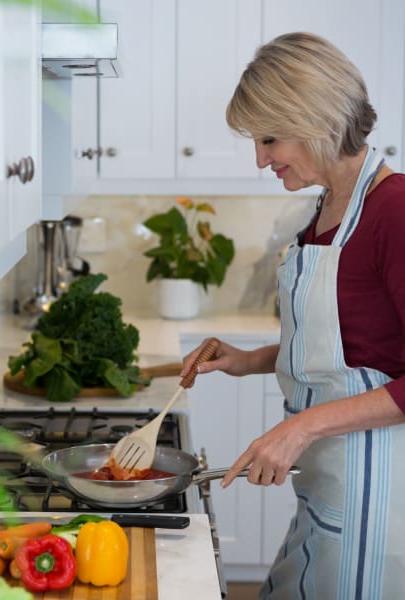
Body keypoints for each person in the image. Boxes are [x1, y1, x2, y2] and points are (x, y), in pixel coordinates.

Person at [181, 32, 405, 599]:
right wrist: (248, 360)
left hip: (379, 501)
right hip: (329, 486)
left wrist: (301, 426)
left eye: (268, 139)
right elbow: (349, 349)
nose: (260, 159)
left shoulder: (395, 211)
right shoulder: (326, 208)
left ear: (314, 118)